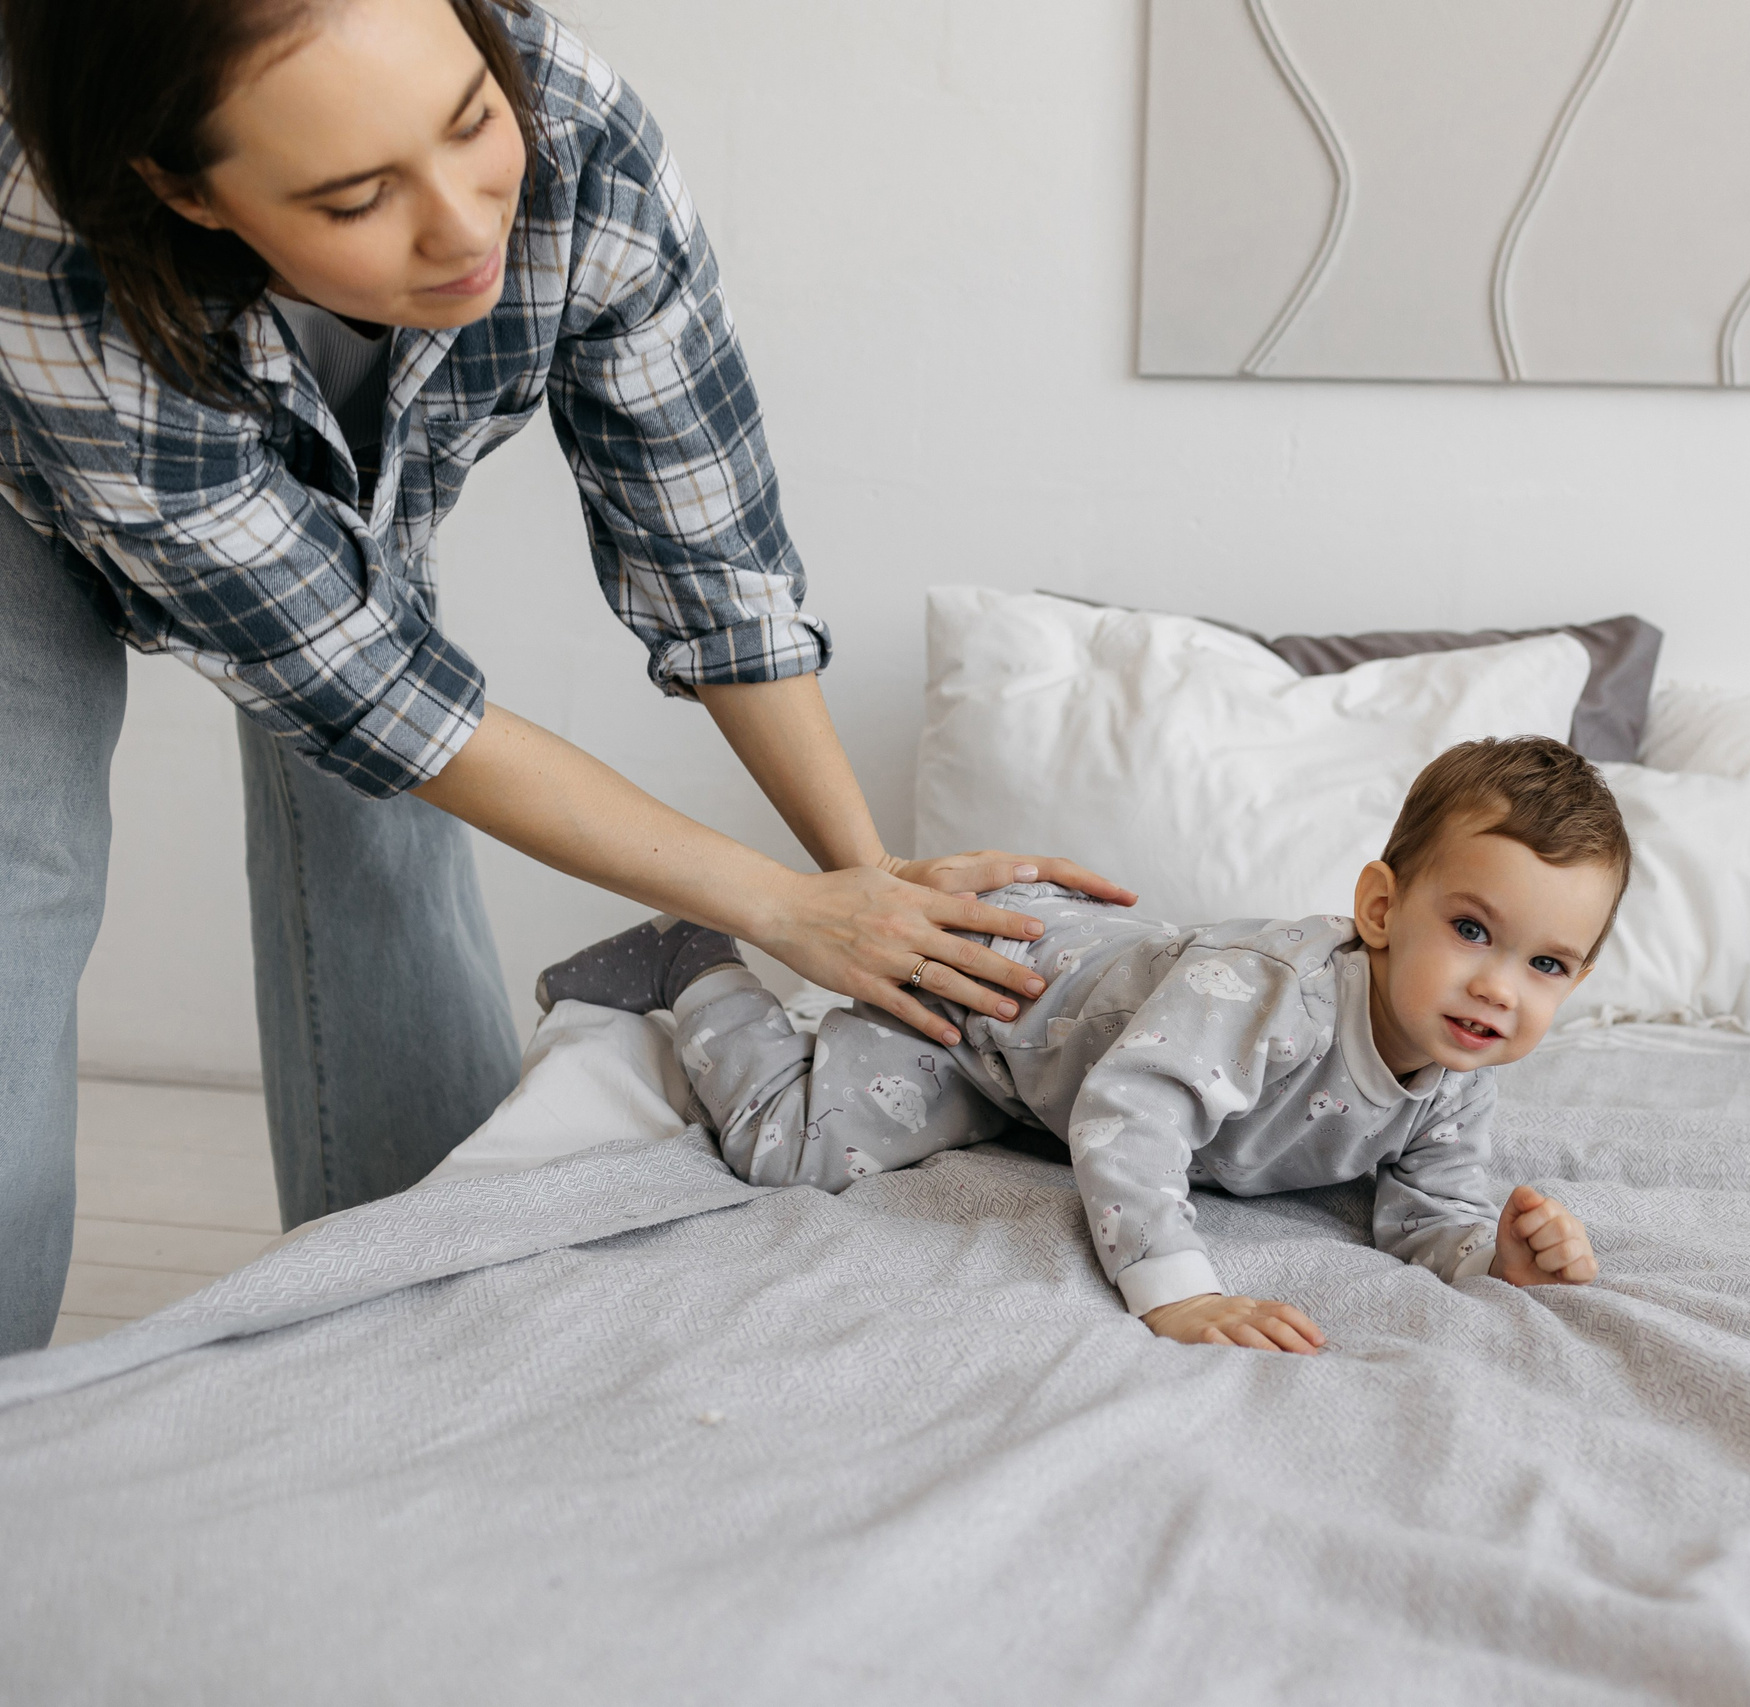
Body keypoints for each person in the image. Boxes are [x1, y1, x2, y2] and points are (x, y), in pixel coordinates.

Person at [0, 0, 1125, 1354]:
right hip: (23, 459)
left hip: (307, 511)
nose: (466, 226)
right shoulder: (51, 246)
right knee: (23, 874)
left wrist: (863, 889)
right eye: (358, 198)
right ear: (182, 188)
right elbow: (380, 697)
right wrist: (776, 905)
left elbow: (711, 559)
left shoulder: (575, 127)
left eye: (473, 124)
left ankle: (416, 1316)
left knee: (386, 837)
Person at [536, 737, 1621, 1353]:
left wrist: (1490, 1258)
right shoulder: (1273, 1002)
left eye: (1547, 966)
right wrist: (1177, 1288)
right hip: (997, 1002)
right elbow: (1129, 1114)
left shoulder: (1456, 1069)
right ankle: (692, 959)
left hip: (1062, 1043)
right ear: (1381, 908)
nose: (1498, 988)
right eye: (1471, 930)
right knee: (794, 1148)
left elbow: (1428, 1206)